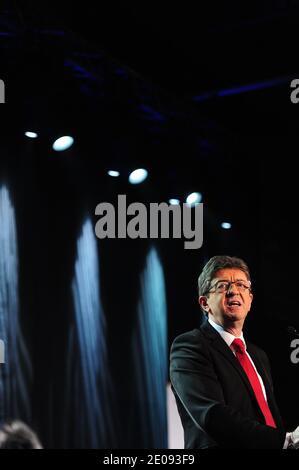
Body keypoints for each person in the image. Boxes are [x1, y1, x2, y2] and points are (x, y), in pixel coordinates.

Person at [170, 255, 299, 449]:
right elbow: (212, 415)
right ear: (205, 303)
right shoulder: (190, 346)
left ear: (250, 299)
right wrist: (284, 441)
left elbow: (270, 418)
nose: (233, 291)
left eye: (241, 285)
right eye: (222, 285)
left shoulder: (258, 356)